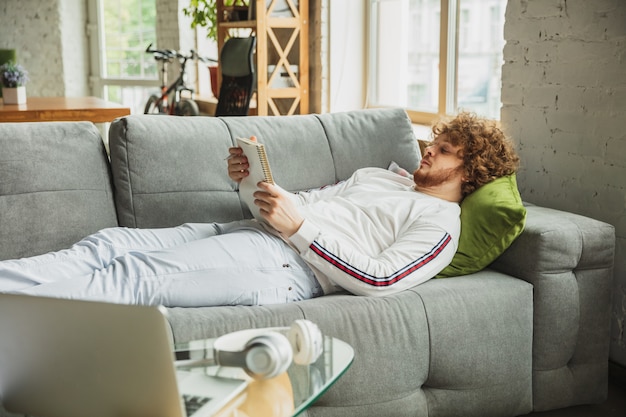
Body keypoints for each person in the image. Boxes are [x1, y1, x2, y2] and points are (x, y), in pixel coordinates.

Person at [0, 112, 519, 307]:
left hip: (290, 266)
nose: (429, 149)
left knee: (135, 274)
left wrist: (301, 227)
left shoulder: (439, 224)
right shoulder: (382, 177)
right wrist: (256, 185)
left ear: (470, 172)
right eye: (435, 140)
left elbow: (381, 280)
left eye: (446, 149)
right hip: (255, 230)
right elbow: (309, 205)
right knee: (110, 243)